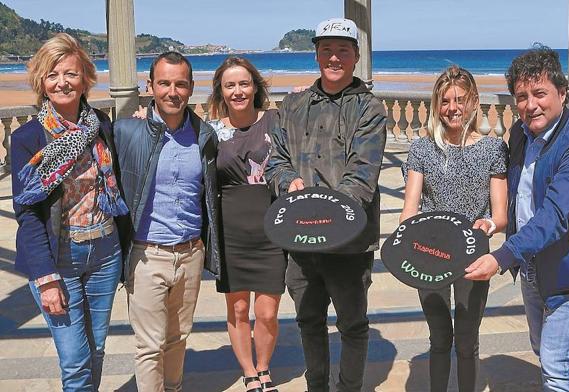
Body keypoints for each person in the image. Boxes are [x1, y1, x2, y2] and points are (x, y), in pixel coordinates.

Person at [464, 45, 569, 391]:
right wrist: (492, 220)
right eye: (522, 96)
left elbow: (555, 216)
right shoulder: (519, 134)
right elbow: (506, 184)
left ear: (562, 93)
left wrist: (500, 257)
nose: (531, 105)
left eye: (540, 93)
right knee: (541, 349)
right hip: (530, 263)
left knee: (557, 366)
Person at [266, 17, 387, 392]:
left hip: (349, 245)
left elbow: (361, 177)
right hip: (300, 243)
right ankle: (316, 385)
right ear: (317, 53)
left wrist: (322, 212)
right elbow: (276, 161)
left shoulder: (370, 108)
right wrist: (289, 182)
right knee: (309, 321)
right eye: (327, 50)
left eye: (343, 50)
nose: (334, 57)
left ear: (355, 57)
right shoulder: (293, 103)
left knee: (352, 325)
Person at [11, 33, 130, 391]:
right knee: (75, 360)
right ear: (41, 83)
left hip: (106, 253)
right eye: (52, 75)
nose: (62, 82)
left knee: (96, 351)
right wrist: (45, 277)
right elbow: (28, 212)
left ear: (85, 80)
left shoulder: (101, 127)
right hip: (58, 257)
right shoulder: (29, 138)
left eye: (70, 74)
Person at [113, 51, 221, 392]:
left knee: (178, 338)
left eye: (180, 84)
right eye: (164, 83)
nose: (172, 91)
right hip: (147, 255)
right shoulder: (126, 132)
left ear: (191, 88)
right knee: (149, 345)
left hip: (190, 254)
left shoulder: (205, 136)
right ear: (150, 86)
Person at [400, 65, 508, 392]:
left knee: (466, 339)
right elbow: (410, 209)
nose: (453, 108)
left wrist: (489, 223)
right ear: (436, 105)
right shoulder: (422, 149)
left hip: (473, 255)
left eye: (460, 100)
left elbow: (500, 214)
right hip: (430, 255)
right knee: (439, 338)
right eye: (445, 101)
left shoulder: (492, 149)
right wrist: (404, 244)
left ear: (473, 101)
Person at [207, 56, 286, 392]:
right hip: (230, 230)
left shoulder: (277, 120)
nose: (238, 91)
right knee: (238, 308)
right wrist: (144, 118)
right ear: (221, 92)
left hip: (271, 227)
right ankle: (250, 371)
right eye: (230, 85)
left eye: (244, 83)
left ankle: (265, 364)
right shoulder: (211, 131)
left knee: (266, 312)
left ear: (255, 86)